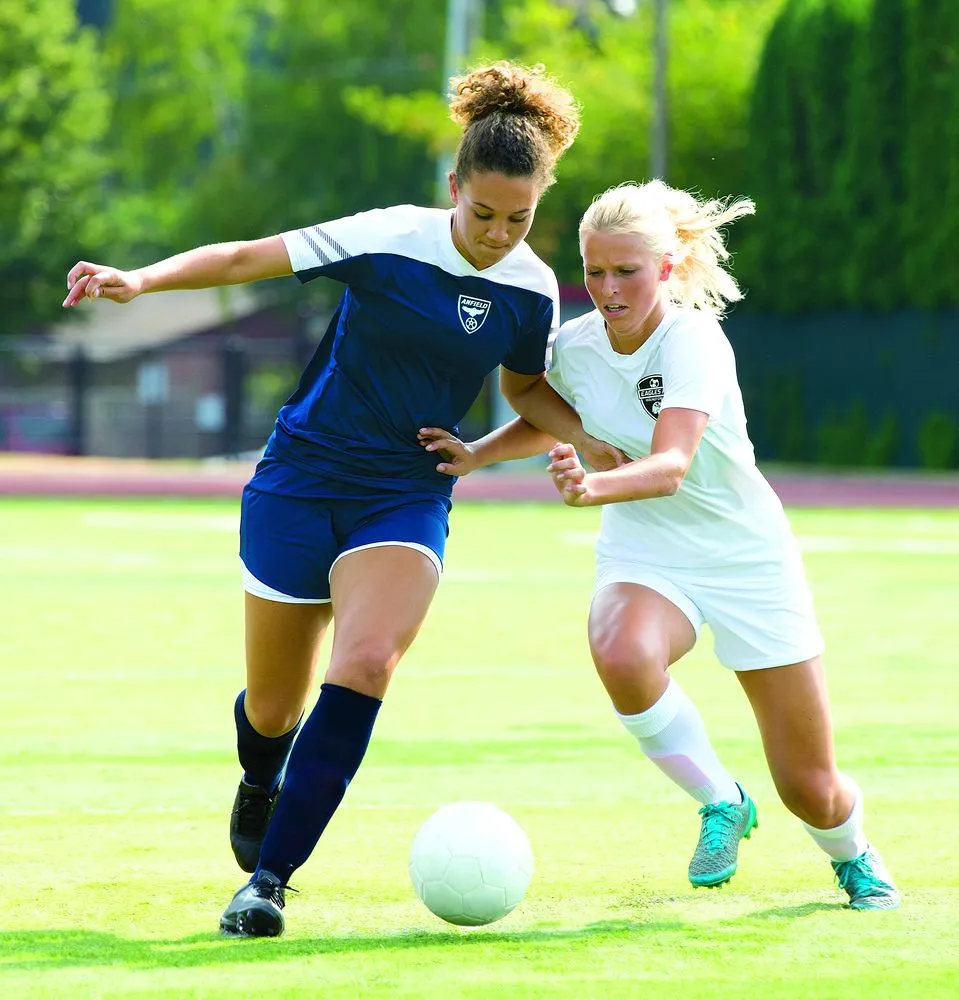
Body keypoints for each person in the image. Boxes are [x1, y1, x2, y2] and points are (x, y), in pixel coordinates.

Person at [62, 61, 626, 938]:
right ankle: (261, 773)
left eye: (517, 219)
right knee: (272, 710)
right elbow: (251, 256)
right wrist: (142, 279)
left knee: (364, 664)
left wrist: (581, 431)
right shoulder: (391, 235)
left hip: (403, 494)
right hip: (299, 480)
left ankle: (268, 883)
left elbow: (523, 391)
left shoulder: (527, 289)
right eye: (482, 213)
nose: (495, 234)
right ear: (453, 187)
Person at [419, 179, 900, 911]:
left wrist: (589, 488)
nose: (607, 290)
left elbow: (670, 465)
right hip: (646, 551)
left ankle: (853, 855)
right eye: (594, 271)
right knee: (620, 651)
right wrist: (477, 454)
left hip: (745, 556)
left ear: (666, 269)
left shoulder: (693, 340)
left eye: (626, 272)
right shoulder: (575, 346)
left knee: (810, 787)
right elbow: (544, 405)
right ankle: (719, 802)